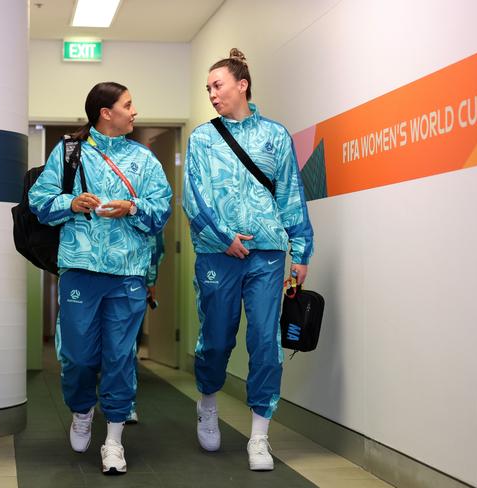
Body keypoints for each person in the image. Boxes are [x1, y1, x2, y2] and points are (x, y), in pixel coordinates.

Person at [29, 82, 172, 475]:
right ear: (105, 113)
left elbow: (162, 210)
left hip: (128, 272)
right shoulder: (69, 153)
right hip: (80, 268)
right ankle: (80, 410)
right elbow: (39, 200)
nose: (134, 111)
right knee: (77, 355)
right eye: (128, 105)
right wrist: (70, 202)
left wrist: (133, 206)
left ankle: (113, 440)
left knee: (120, 356)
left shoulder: (144, 160)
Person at [182, 49, 314, 471]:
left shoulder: (275, 135)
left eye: (217, 85)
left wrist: (301, 249)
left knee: (265, 343)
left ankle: (259, 437)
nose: (212, 94)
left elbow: (290, 194)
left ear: (242, 85)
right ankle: (207, 402)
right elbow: (193, 196)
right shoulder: (202, 137)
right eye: (208, 89)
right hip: (218, 254)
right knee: (218, 338)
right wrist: (222, 238)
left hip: (268, 253)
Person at [126, 231, 165, 424]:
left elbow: (155, 245)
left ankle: (126, 404)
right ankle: (86, 403)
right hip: (92, 272)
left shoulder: (143, 201)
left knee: (128, 346)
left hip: (133, 278)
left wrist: (150, 281)